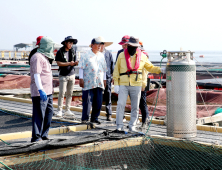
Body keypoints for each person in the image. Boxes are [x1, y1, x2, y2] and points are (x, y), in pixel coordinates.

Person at [113, 36, 166, 132]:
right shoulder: (121, 55)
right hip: (123, 84)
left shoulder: (143, 56)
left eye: (134, 46)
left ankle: (132, 126)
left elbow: (150, 67)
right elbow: (116, 70)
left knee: (135, 106)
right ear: (128, 45)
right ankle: (119, 125)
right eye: (130, 45)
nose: (132, 48)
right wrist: (116, 84)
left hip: (136, 84)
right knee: (120, 104)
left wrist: (160, 70)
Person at [30, 36, 55, 142]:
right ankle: (36, 136)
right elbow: (36, 74)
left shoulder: (45, 57)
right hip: (41, 92)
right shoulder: (37, 57)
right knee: (39, 113)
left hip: (48, 91)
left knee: (49, 113)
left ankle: (44, 134)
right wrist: (40, 89)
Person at [78, 37, 107, 124]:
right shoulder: (85, 54)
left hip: (99, 82)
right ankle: (85, 119)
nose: (99, 46)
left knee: (98, 101)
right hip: (88, 81)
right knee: (87, 101)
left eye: (100, 44)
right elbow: (81, 67)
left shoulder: (102, 55)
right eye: (97, 44)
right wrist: (81, 78)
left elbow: (104, 69)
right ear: (92, 45)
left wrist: (105, 79)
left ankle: (95, 118)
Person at [54, 36, 78, 117]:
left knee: (70, 93)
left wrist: (75, 63)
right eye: (69, 43)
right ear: (65, 43)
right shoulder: (60, 51)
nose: (71, 44)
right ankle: (59, 110)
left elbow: (74, 61)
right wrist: (69, 63)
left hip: (72, 74)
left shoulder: (73, 51)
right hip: (63, 75)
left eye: (72, 43)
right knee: (62, 93)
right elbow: (59, 63)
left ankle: (67, 109)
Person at [99, 37, 114, 121]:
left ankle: (109, 114)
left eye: (102, 44)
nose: (101, 46)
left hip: (107, 77)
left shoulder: (108, 53)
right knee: (98, 95)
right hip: (98, 77)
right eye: (100, 44)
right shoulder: (95, 53)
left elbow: (112, 65)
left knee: (108, 95)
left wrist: (112, 76)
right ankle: (96, 113)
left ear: (104, 45)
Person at [139, 41, 150, 128]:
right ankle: (144, 120)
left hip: (143, 83)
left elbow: (144, 72)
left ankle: (145, 121)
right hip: (139, 83)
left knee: (142, 103)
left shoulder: (144, 57)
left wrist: (143, 84)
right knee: (140, 103)